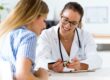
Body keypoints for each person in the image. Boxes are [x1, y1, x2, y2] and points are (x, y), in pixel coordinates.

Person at [35, 2, 102, 73]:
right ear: (60, 15)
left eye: (73, 23)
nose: (67, 26)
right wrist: (52, 66)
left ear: (78, 23)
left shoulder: (85, 36)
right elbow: (39, 59)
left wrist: (80, 66)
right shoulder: (47, 35)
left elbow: (96, 59)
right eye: (65, 20)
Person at [0, 0, 49, 80]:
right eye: (44, 20)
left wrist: (32, 73)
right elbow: (23, 76)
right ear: (34, 16)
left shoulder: (5, 33)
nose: (44, 26)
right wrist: (43, 77)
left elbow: (12, 72)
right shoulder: (28, 36)